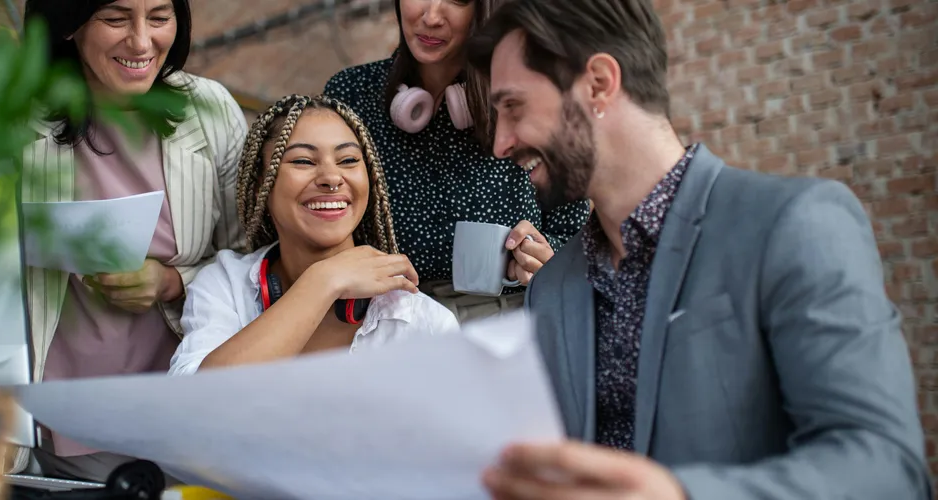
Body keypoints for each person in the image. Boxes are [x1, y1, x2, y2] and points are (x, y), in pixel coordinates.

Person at [465, 0, 931, 498]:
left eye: (513, 107)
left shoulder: (797, 224)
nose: (501, 144)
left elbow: (889, 471)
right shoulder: (551, 289)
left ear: (599, 83)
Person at [14, 0, 247, 482]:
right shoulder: (14, 122)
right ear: (68, 26)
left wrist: (172, 281)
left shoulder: (209, 112)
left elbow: (255, 259)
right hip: (65, 421)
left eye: (159, 19)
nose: (142, 42)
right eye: (116, 19)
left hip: (185, 414)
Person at [322, 0, 590, 323]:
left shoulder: (536, 96)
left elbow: (579, 240)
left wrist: (546, 259)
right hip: (390, 330)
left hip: (510, 328)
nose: (431, 16)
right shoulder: (352, 95)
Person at [170, 94, 459, 375]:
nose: (332, 178)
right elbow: (196, 400)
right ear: (261, 186)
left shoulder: (423, 321)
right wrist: (322, 282)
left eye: (348, 160)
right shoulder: (225, 287)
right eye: (303, 161)